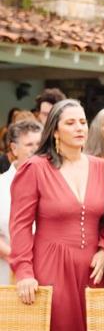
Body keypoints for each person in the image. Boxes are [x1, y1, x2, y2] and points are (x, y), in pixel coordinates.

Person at [10, 100, 104, 331]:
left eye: (83, 121)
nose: (80, 127)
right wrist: (24, 271)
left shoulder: (102, 168)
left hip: (92, 271)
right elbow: (20, 225)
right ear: (54, 130)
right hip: (51, 266)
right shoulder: (35, 168)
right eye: (71, 123)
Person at [0, 118, 42, 285]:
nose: (36, 149)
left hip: (46, 268)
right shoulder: (1, 184)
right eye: (29, 144)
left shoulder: (54, 182)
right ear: (14, 149)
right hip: (7, 272)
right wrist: (19, 260)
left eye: (39, 144)